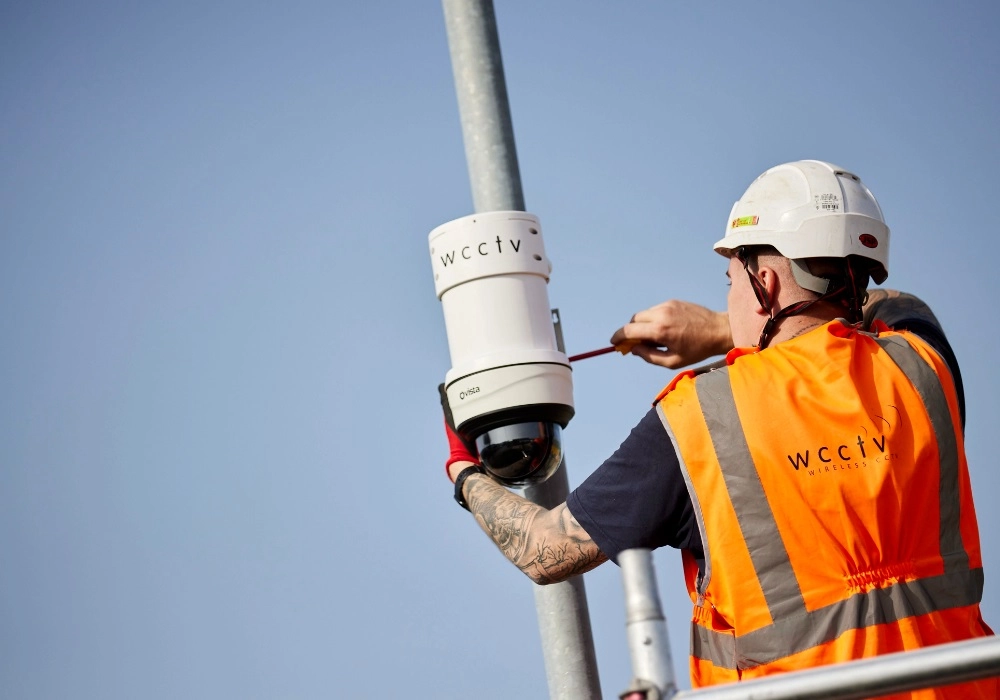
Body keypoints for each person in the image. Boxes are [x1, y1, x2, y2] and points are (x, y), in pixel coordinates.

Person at [443, 160, 993, 696]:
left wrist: (464, 468)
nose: (729, 295)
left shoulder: (701, 419)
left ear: (767, 282)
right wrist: (722, 329)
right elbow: (897, 303)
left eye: (731, 277)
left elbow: (545, 550)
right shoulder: (922, 368)